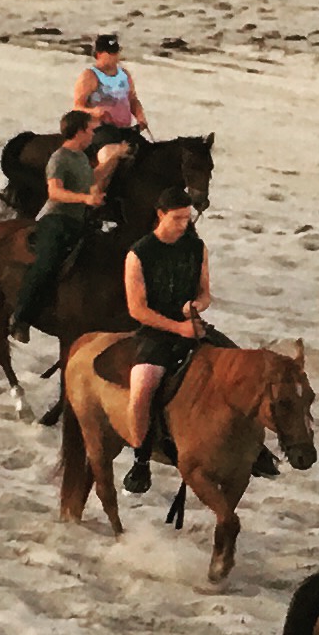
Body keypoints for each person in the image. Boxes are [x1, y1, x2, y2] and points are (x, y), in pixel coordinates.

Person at [118, 190, 211, 492]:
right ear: (161, 215)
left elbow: (205, 293)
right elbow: (137, 309)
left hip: (191, 325)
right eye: (178, 218)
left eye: (187, 218)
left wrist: (196, 307)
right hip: (155, 330)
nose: (184, 224)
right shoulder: (139, 254)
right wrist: (177, 327)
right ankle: (140, 459)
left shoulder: (197, 248)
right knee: (144, 385)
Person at [17, 110, 105, 333]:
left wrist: (114, 159)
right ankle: (21, 316)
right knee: (47, 262)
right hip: (56, 218)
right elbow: (55, 192)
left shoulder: (82, 158)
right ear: (80, 131)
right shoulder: (59, 158)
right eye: (91, 130)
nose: (94, 135)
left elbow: (90, 180)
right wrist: (85, 198)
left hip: (78, 220)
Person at [75, 33, 148, 195]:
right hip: (100, 129)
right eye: (110, 53)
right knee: (110, 156)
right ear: (99, 54)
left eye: (116, 52)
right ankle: (96, 195)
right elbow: (77, 106)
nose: (114, 57)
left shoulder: (124, 75)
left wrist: (140, 116)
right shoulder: (90, 76)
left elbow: (132, 99)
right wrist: (93, 111)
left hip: (124, 128)